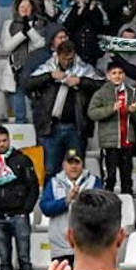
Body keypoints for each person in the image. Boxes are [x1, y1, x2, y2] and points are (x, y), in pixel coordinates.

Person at [29, 41, 101, 180]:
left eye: (70, 59)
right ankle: (52, 200)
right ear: (58, 55)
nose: (67, 62)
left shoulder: (84, 69)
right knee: (50, 169)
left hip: (75, 127)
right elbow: (28, 83)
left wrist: (81, 81)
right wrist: (50, 76)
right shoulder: (48, 67)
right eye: (64, 59)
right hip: (50, 127)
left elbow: (102, 85)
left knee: (76, 168)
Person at [0, 125, 38, 270]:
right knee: (4, 260)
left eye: (4, 140)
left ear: (9, 140)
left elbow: (33, 186)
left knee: (24, 258)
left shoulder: (22, 159)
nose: (2, 144)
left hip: (19, 215)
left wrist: (26, 209)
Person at [87, 63, 136, 196]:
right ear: (108, 75)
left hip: (127, 141)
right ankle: (107, 205)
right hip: (110, 143)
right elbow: (92, 113)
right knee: (110, 177)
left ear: (124, 75)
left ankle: (128, 205)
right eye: (114, 73)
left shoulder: (130, 92)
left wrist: (134, 111)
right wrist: (111, 109)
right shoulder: (101, 92)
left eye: (120, 73)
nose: (117, 76)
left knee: (127, 177)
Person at [41, 150, 98, 267]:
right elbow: (45, 207)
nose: (74, 166)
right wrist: (66, 200)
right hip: (61, 248)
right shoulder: (53, 182)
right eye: (70, 162)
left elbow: (100, 209)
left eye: (77, 162)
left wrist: (80, 200)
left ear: (82, 164)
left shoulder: (94, 182)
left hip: (87, 247)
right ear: (63, 164)